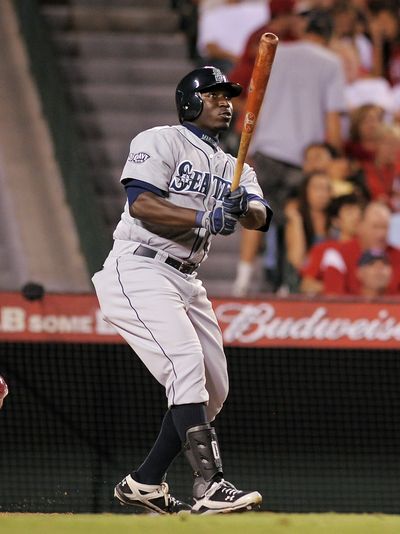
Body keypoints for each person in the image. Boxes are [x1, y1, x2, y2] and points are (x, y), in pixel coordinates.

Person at [92, 66, 272, 515]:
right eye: (213, 95)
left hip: (188, 279)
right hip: (138, 267)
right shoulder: (160, 140)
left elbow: (261, 216)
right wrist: (203, 218)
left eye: (228, 96)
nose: (224, 101)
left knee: (213, 388)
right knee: (186, 364)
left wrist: (244, 207)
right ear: (190, 102)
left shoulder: (237, 167)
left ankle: (145, 482)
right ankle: (209, 484)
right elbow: (142, 204)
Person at [232, 9, 347, 296]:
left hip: (266, 148)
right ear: (329, 36)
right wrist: (334, 156)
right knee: (295, 218)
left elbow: (252, 98)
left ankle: (243, 279)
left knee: (254, 211)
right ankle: (287, 284)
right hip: (302, 158)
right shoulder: (331, 62)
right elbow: (333, 121)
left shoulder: (279, 53)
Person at [321, 201, 400, 295]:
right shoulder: (337, 255)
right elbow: (333, 299)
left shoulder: (397, 255)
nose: (381, 234)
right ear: (360, 226)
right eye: (375, 227)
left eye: (385, 227)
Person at [299, 192, 363, 294]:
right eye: (350, 211)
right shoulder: (323, 249)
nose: (357, 216)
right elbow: (307, 285)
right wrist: (337, 287)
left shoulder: (371, 248)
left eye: (359, 212)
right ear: (336, 221)